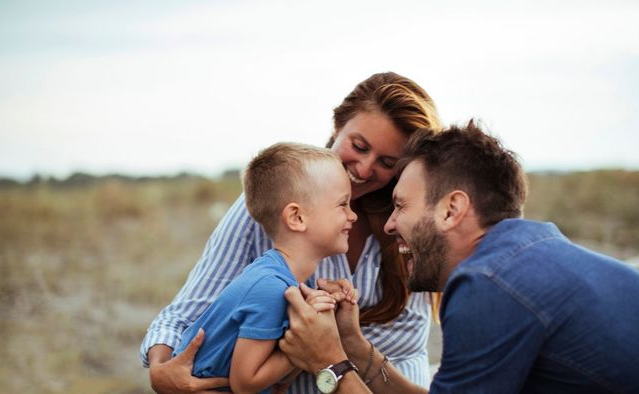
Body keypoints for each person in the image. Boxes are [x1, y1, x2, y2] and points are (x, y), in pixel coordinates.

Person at [278, 121, 639, 393]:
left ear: (451, 210)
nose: (391, 225)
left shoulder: (489, 285)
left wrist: (328, 363)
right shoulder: (528, 259)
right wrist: (354, 347)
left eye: (401, 206)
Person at [140, 72, 443, 393]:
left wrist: (326, 343)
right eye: (359, 146)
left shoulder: (410, 223)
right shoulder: (275, 204)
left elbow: (401, 345)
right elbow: (188, 312)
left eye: (386, 161)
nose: (365, 169)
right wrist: (162, 370)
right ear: (337, 127)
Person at [171, 142, 358, 393]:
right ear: (297, 218)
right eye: (342, 204)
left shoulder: (282, 278)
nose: (352, 215)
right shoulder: (269, 289)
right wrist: (304, 348)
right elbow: (245, 383)